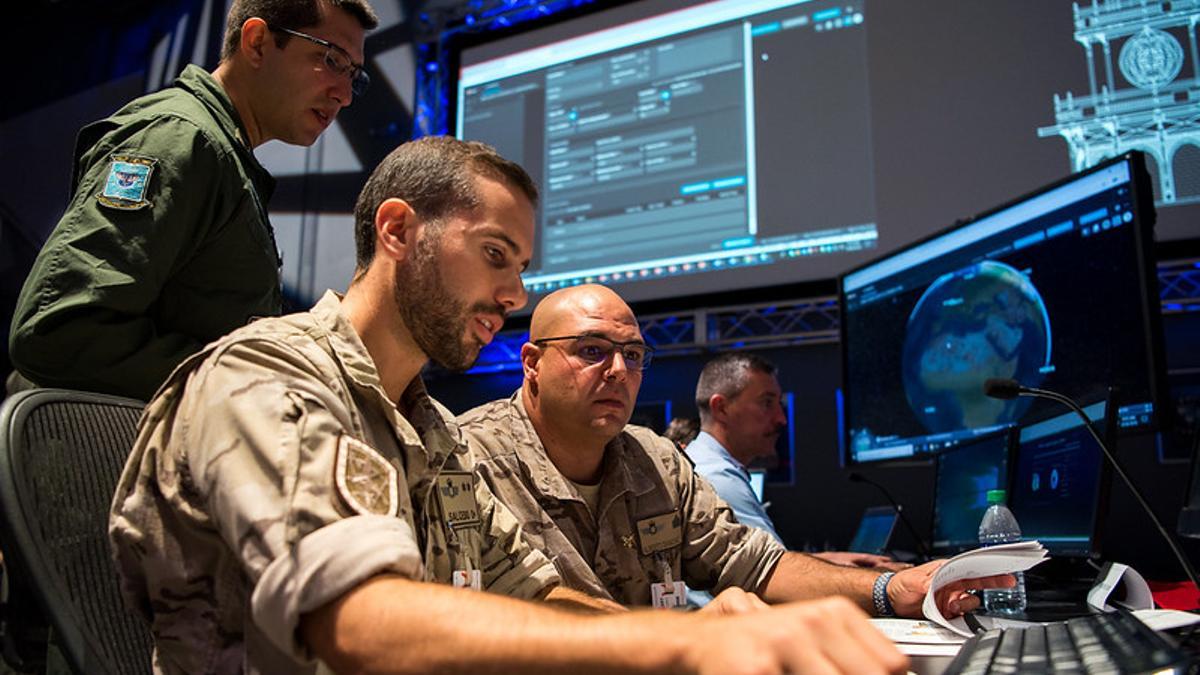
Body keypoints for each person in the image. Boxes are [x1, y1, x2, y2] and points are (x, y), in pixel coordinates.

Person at [108, 137, 913, 675]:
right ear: (399, 231)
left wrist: (705, 634)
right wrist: (681, 643)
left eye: (521, 264)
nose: (515, 293)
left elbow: (535, 590)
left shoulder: (428, 431)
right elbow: (356, 619)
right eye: (495, 254)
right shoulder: (267, 375)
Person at [458, 283, 1010, 617]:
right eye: (592, 351)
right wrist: (690, 634)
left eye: (633, 354)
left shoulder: (656, 462)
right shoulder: (470, 457)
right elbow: (527, 604)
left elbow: (751, 563)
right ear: (531, 363)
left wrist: (895, 589)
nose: (619, 371)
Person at [9, 0, 378, 400]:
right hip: (96, 456)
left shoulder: (221, 155)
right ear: (256, 43)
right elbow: (58, 331)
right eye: (331, 59)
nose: (345, 95)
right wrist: (249, 385)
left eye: (354, 75)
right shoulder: (180, 140)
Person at [688, 352, 899, 568]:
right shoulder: (718, 480)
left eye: (779, 404)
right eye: (767, 403)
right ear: (722, 408)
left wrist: (827, 559)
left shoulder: (705, 465)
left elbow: (765, 565)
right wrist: (885, 584)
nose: (782, 418)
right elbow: (776, 578)